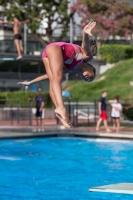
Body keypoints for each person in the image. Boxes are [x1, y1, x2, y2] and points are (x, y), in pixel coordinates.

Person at [18, 22, 96, 128]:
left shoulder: (70, 68)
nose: (87, 78)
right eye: (91, 77)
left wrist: (30, 82)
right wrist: (85, 33)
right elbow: (86, 44)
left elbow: (47, 76)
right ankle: (61, 108)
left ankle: (60, 110)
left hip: (46, 55)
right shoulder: (87, 57)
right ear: (92, 68)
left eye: (87, 80)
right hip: (55, 48)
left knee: (52, 80)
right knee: (57, 77)